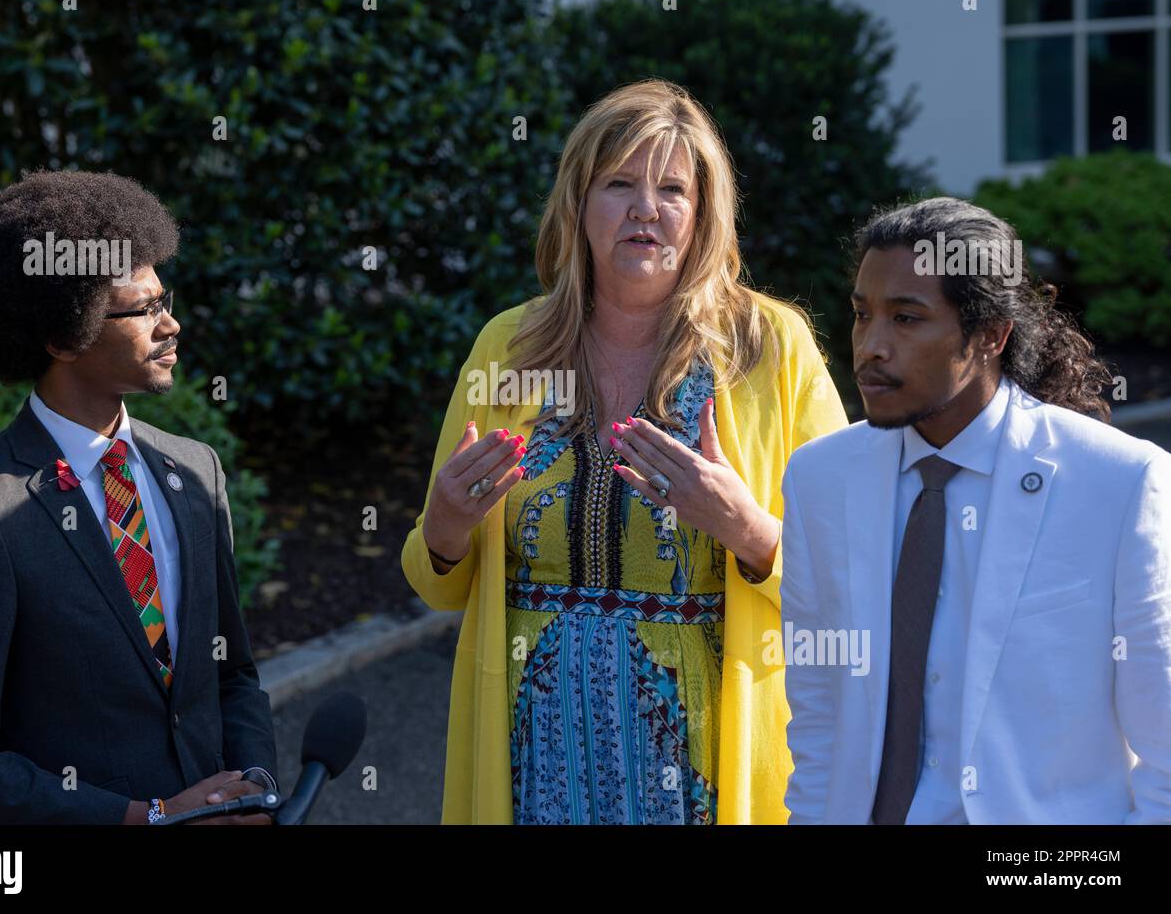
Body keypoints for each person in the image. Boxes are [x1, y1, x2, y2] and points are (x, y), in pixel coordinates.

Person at [401, 79, 848, 824]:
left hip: (705, 761)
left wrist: (749, 531)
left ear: (704, 213)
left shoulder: (771, 349)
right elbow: (436, 581)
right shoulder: (507, 347)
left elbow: (850, 576)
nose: (646, 208)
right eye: (619, 184)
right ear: (578, 203)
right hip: (531, 753)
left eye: (672, 188)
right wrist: (444, 529)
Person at [0, 170, 278, 824]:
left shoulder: (195, 472)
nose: (173, 325)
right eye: (145, 309)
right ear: (62, 334)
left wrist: (253, 783)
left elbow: (230, 676)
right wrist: (147, 815)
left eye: (167, 299)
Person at [780, 196, 1171, 824]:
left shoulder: (1119, 483)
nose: (871, 347)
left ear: (991, 334)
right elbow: (818, 722)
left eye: (906, 318)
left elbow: (1165, 751)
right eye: (861, 315)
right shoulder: (818, 479)